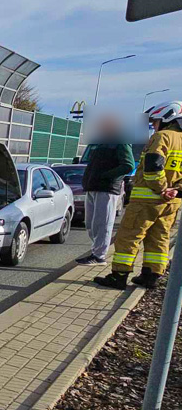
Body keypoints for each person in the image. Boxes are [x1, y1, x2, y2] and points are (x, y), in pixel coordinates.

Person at [95, 101, 182, 290]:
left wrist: (161, 189)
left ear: (167, 118)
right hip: (172, 203)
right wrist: (176, 190)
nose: (154, 125)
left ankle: (118, 276)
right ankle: (151, 276)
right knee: (159, 237)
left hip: (148, 200)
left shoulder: (162, 137)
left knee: (129, 236)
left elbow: (152, 167)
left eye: (156, 121)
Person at [76, 117, 135, 266]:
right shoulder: (98, 143)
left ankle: (99, 256)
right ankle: (95, 251)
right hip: (92, 186)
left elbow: (128, 165)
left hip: (107, 188)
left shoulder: (120, 142)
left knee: (103, 223)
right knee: (91, 224)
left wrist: (107, 176)